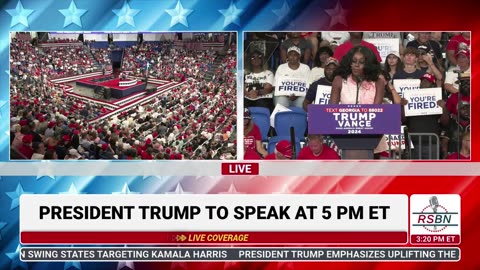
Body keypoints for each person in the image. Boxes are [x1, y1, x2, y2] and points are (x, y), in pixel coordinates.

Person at [403, 73, 449, 160]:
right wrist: (402, 106)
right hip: (413, 143)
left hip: (432, 143)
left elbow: (445, 122)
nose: (424, 83)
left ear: (432, 85)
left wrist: (444, 108)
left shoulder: (438, 98)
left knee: (431, 171)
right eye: (422, 81)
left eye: (427, 81)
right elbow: (402, 119)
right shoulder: (410, 97)